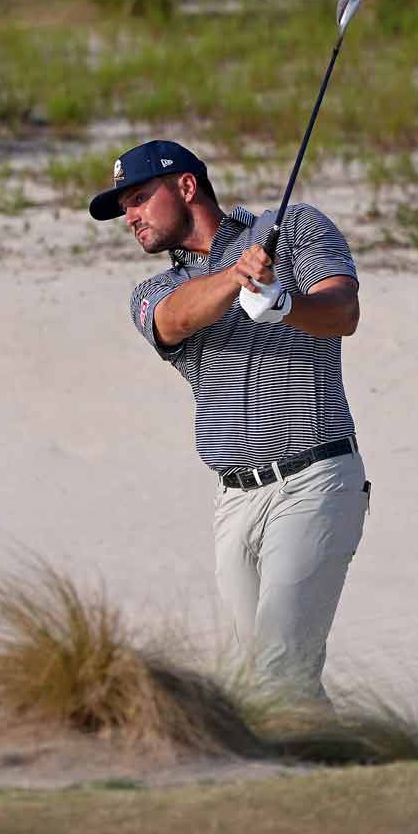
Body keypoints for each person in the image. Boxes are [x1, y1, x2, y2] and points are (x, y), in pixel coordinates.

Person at [89, 139, 370, 704]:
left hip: (315, 479)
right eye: (124, 208)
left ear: (186, 187)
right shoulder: (154, 290)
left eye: (140, 198)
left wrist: (284, 301)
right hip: (233, 502)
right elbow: (174, 319)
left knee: (279, 671)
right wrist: (237, 280)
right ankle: (346, 775)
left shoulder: (291, 230)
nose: (131, 217)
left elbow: (344, 313)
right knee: (265, 684)